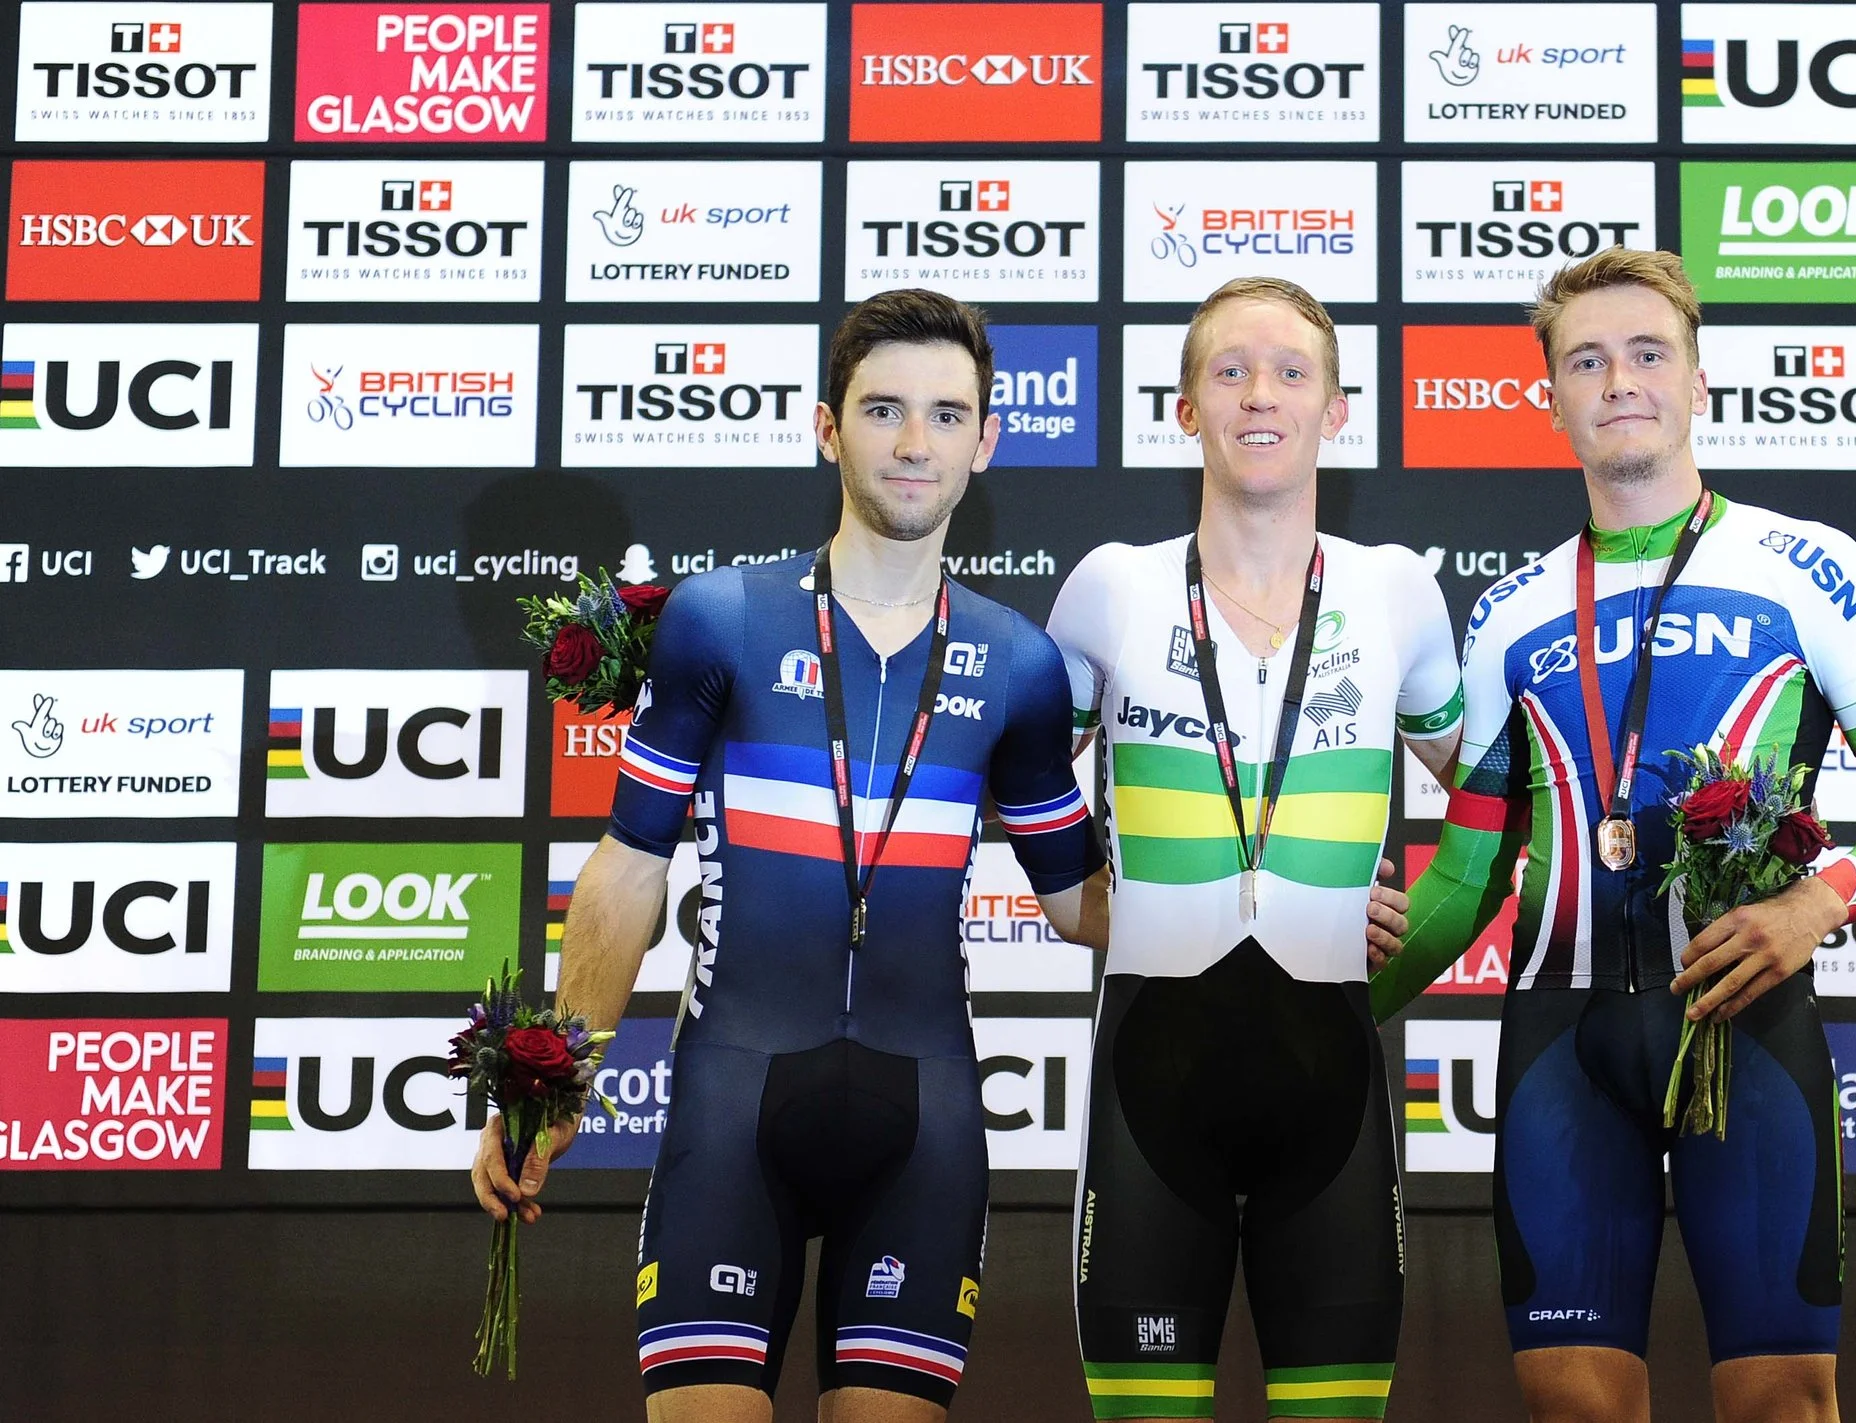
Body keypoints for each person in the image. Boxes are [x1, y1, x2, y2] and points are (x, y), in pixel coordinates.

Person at [470, 288, 1110, 1423]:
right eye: (884, 410)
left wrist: (1280, 893)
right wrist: (556, 1080)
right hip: (735, 1097)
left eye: (948, 415)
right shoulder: (722, 618)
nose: (916, 443)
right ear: (828, 428)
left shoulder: (1018, 663)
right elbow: (631, 864)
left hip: (926, 1122)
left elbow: (1079, 906)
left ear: (988, 440)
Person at [1370, 248, 1856, 1423]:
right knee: (1574, 1407)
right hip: (1560, 1041)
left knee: (1781, 1403)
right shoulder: (1508, 612)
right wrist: (1332, 1007)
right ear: (1550, 400)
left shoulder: (1809, 567)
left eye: (1648, 354)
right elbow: (1468, 873)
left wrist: (1812, 903)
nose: (1618, 380)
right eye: (1585, 361)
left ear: (1699, 384)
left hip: (1746, 1024)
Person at [1046, 277, 1464, 1423]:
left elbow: (1501, 798)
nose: (1259, 395)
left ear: (1336, 410)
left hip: (1330, 1086)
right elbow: (1015, 784)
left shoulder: (1396, 592)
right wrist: (1080, 901)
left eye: (1291, 372)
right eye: (1229, 371)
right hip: (1150, 1086)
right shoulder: (1110, 586)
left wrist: (1424, 919)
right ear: (1185, 408)